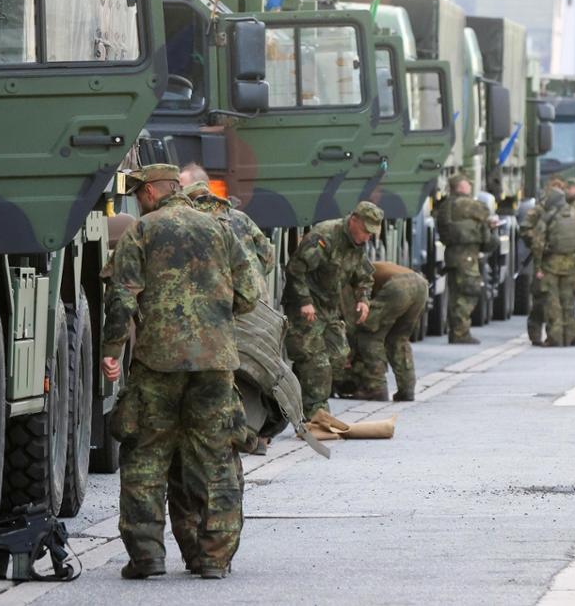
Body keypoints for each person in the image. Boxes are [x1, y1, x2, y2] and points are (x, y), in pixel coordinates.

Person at [100, 163, 260, 580]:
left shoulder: (142, 230)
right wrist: (213, 318)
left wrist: (112, 348)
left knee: (145, 456)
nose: (138, 200)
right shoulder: (220, 228)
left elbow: (122, 296)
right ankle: (213, 559)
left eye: (139, 193)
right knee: (216, 457)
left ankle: (147, 557)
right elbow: (248, 294)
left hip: (158, 363)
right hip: (214, 363)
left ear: (153, 191)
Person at [283, 202, 380, 418]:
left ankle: (296, 392)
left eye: (371, 234)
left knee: (338, 356)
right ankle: (316, 414)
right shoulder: (325, 236)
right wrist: (304, 300)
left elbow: (364, 276)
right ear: (353, 220)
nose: (367, 237)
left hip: (329, 309)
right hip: (305, 307)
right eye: (365, 231)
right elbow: (295, 269)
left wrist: (363, 299)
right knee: (316, 360)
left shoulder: (357, 245)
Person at [346, 261, 428, 401]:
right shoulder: (373, 266)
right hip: (421, 285)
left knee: (369, 335)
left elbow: (352, 317)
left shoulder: (351, 276)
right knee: (398, 338)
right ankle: (406, 389)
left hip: (399, 287)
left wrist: (348, 352)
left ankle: (376, 387)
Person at [436, 175, 497, 345]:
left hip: (452, 255)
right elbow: (486, 215)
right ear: (462, 187)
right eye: (467, 184)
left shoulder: (445, 206)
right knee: (468, 293)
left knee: (455, 294)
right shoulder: (470, 205)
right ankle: (461, 332)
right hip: (467, 256)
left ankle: (456, 331)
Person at [531, 187, 575, 347]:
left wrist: (538, 267)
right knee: (569, 301)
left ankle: (555, 337)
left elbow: (538, 244)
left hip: (551, 265)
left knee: (552, 302)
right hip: (571, 265)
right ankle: (571, 336)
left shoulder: (548, 216)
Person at [520, 177, 567, 346]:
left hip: (559, 262)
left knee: (556, 300)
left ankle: (556, 335)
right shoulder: (539, 210)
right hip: (542, 259)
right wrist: (538, 242)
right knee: (540, 299)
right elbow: (525, 229)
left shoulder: (564, 210)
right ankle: (535, 333)